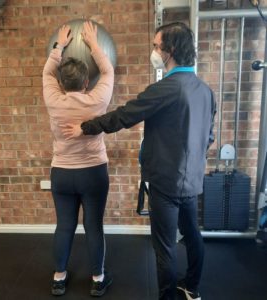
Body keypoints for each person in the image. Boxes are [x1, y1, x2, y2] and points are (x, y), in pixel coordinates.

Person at [61, 22, 216, 300]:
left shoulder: (167, 88)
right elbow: (209, 137)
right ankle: (192, 288)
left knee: (165, 247)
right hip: (192, 180)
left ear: (170, 51)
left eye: (157, 46)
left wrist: (87, 126)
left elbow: (125, 115)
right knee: (192, 236)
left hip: (167, 183)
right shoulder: (205, 90)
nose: (154, 51)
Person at [42, 21, 114, 297]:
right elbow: (107, 70)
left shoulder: (53, 98)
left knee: (65, 225)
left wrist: (59, 45)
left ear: (61, 83)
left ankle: (59, 277)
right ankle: (98, 279)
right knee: (93, 225)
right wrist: (94, 45)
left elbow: (48, 71)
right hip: (93, 172)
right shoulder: (97, 99)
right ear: (87, 82)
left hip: (61, 173)